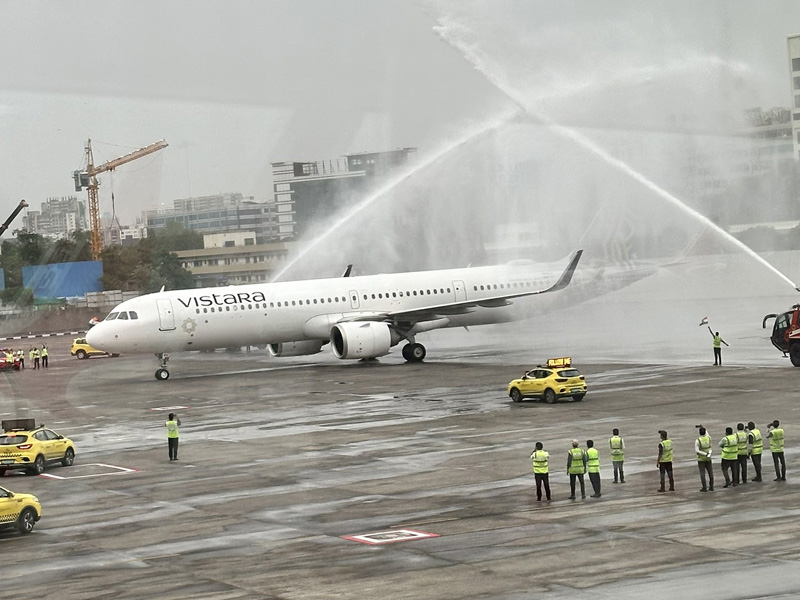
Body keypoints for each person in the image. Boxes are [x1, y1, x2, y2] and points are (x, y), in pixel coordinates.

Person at [695, 426, 714, 492]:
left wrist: (703, 454)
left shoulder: (698, 440)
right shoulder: (708, 438)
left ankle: (704, 487)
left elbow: (697, 450)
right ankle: (711, 486)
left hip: (701, 459)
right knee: (710, 473)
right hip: (708, 458)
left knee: (702, 473)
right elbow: (707, 433)